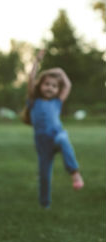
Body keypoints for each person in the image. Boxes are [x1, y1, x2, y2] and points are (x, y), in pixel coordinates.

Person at [22, 49, 84, 208]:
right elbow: (30, 79)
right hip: (43, 144)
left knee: (64, 139)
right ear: (40, 85)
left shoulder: (57, 102)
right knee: (44, 175)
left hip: (56, 136)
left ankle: (75, 173)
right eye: (47, 84)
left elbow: (68, 84)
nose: (50, 88)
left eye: (54, 86)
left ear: (58, 89)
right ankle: (45, 204)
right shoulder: (33, 100)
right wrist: (37, 61)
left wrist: (60, 71)